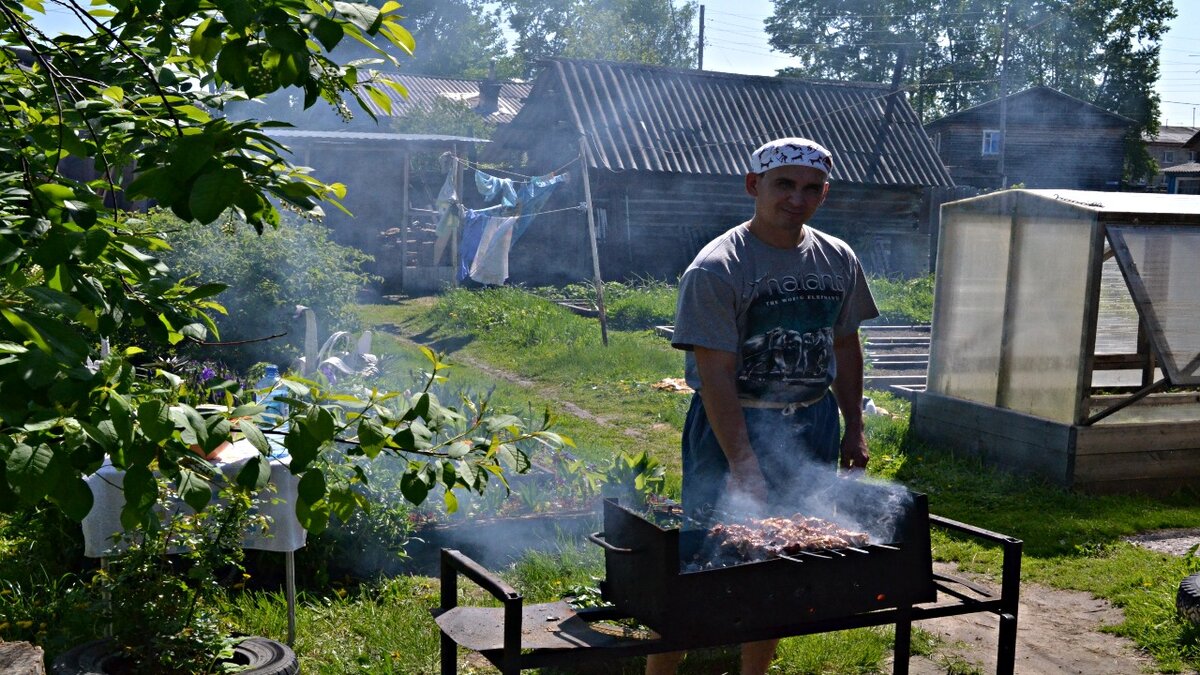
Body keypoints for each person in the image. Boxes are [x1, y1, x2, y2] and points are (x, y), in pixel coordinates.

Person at [645, 138, 879, 675]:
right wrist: (744, 465)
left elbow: (844, 346)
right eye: (784, 185)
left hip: (812, 420)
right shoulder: (717, 268)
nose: (797, 199)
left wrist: (854, 427)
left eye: (811, 188)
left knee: (789, 554)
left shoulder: (837, 258)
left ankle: (754, 672)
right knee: (702, 559)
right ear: (755, 186)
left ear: (825, 193)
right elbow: (716, 379)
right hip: (733, 422)